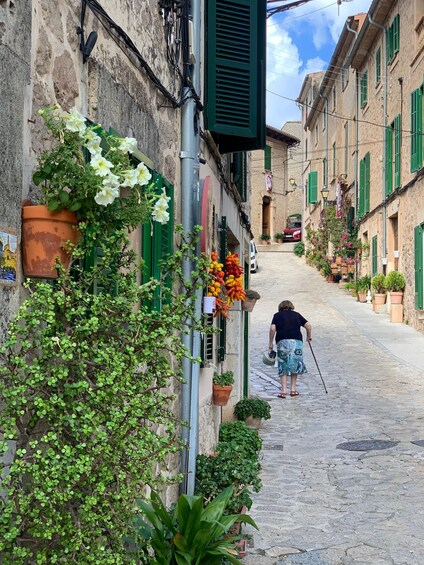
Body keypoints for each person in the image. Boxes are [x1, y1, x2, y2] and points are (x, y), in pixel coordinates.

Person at [268, 300, 312, 398]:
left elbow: (272, 329)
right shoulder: (297, 315)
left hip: (283, 341)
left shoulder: (277, 315)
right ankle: (293, 389)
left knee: (283, 364)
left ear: (280, 307)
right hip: (297, 342)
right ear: (291, 307)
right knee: (295, 364)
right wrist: (308, 336)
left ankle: (283, 391)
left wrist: (270, 344)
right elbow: (308, 325)